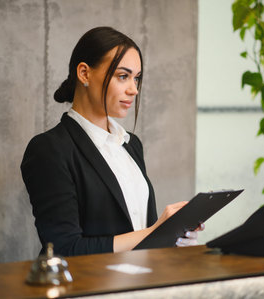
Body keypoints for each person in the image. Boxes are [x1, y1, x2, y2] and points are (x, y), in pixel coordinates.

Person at [21, 27, 202, 256]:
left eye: (136, 78)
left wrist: (170, 235)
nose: (134, 89)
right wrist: (154, 232)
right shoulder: (49, 149)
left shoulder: (131, 144)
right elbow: (65, 249)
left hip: (141, 285)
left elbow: (139, 233)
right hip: (89, 288)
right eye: (123, 76)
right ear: (84, 73)